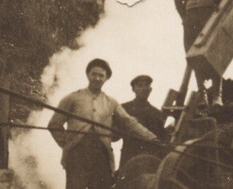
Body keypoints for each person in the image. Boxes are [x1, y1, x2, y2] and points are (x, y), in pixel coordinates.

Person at [47, 58, 159, 189]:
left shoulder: (111, 102)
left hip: (102, 157)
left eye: (101, 75)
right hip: (77, 157)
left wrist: (152, 138)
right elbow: (54, 124)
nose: (97, 78)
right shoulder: (73, 98)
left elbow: (130, 123)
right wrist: (68, 144)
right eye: (94, 74)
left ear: (106, 78)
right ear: (88, 75)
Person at [174, 0, 230, 106]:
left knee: (215, 53)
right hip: (191, 16)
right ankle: (202, 93)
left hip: (210, 14)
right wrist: (184, 17)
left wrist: (219, 15)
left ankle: (217, 95)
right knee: (193, 54)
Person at [118, 74, 169, 167]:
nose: (144, 88)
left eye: (146, 86)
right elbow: (115, 136)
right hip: (129, 158)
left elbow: (162, 139)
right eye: (140, 85)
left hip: (151, 160)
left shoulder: (157, 113)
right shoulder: (124, 108)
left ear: (150, 89)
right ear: (133, 89)